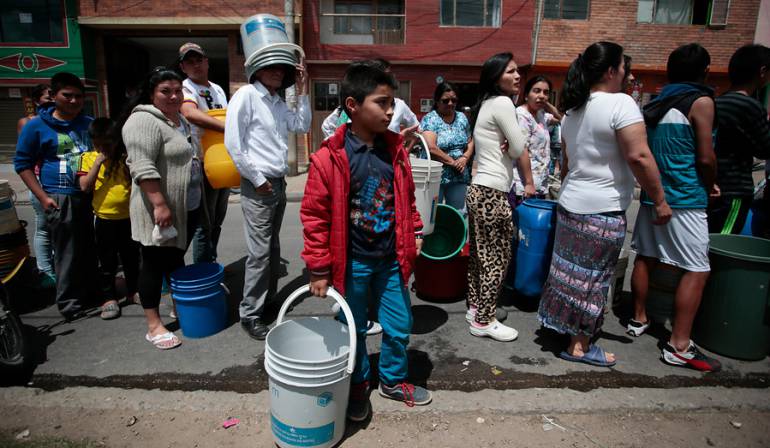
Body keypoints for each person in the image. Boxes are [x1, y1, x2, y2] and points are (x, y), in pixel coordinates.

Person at [301, 61, 431, 422]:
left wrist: (415, 232)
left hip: (391, 259)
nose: (390, 112)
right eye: (382, 103)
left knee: (399, 324)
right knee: (354, 329)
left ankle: (392, 380)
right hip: (352, 262)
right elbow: (314, 216)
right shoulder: (329, 159)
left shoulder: (396, 151)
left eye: (392, 103)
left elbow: (406, 200)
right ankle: (357, 385)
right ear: (353, 106)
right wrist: (319, 268)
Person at [537, 42, 671, 367]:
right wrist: (660, 199)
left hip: (571, 204)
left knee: (568, 274)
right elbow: (639, 156)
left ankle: (565, 328)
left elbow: (567, 165)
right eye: (624, 67)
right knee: (593, 279)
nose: (628, 74)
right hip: (601, 211)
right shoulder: (621, 103)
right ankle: (578, 346)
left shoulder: (573, 111)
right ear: (611, 71)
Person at [629, 44, 721, 372]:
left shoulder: (655, 103)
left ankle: (638, 318)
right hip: (685, 197)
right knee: (697, 268)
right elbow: (706, 157)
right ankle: (679, 345)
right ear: (704, 71)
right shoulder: (701, 102)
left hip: (654, 195)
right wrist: (711, 183)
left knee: (646, 256)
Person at [225, 58, 310, 340]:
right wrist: (258, 180)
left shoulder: (277, 101)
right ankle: (250, 313)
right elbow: (233, 144)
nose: (278, 72)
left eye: (282, 69)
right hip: (258, 183)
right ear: (257, 70)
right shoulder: (246, 95)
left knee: (272, 247)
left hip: (277, 182)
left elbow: (301, 125)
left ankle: (267, 301)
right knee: (260, 252)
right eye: (272, 67)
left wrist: (303, 90)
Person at [121, 67, 202, 350]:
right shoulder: (143, 120)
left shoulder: (178, 119)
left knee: (175, 261)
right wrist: (159, 204)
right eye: (165, 91)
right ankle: (154, 325)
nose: (174, 96)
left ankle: (178, 307)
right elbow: (142, 165)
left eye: (178, 90)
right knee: (154, 265)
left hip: (184, 208)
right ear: (151, 93)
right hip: (159, 209)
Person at [15, 72, 98, 319]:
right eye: (67, 95)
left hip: (88, 195)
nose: (74, 101)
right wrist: (42, 197)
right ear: (53, 95)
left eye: (79, 97)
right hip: (59, 196)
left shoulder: (88, 123)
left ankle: (91, 294)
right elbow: (22, 164)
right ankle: (69, 303)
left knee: (88, 248)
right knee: (66, 252)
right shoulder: (36, 126)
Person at [465, 52, 528, 341]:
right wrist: (512, 142)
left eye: (517, 71)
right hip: (492, 192)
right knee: (496, 258)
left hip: (478, 189)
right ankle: (484, 320)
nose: (517, 76)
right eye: (510, 71)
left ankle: (476, 308)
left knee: (479, 256)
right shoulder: (503, 103)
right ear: (495, 77)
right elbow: (517, 148)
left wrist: (509, 143)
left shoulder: (486, 105)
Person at [77, 118, 141, 320]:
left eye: (108, 144)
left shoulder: (124, 158)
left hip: (128, 217)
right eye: (99, 144)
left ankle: (133, 291)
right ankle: (109, 298)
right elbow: (85, 186)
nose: (104, 149)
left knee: (131, 257)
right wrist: (98, 162)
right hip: (104, 218)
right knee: (107, 261)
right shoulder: (87, 158)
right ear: (93, 142)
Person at [708, 44, 770, 234]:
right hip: (733, 189)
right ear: (762, 71)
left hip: (711, 186)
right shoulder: (750, 106)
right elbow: (765, 148)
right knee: (724, 240)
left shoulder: (716, 102)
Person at [178, 42, 231, 263]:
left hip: (222, 158)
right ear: (183, 67)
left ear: (207, 62)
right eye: (190, 62)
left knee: (218, 218)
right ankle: (203, 269)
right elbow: (190, 113)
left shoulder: (217, 89)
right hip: (200, 161)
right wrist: (227, 128)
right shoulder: (185, 88)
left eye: (199, 60)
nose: (196, 65)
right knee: (204, 224)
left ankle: (211, 260)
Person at [16, 84, 55, 285]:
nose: (53, 101)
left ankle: (57, 264)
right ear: (37, 101)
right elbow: (25, 158)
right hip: (40, 181)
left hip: (60, 182)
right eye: (48, 97)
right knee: (44, 227)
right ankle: (45, 270)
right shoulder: (29, 123)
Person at [321, 58, 419, 139]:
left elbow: (416, 129)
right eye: (381, 103)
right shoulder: (346, 111)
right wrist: (337, 145)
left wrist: (402, 145)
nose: (390, 112)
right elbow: (327, 126)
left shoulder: (399, 105)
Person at [419, 82, 474, 213]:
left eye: (454, 100)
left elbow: (470, 141)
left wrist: (464, 158)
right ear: (437, 101)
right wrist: (453, 162)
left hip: (459, 176)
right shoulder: (431, 119)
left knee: (459, 214)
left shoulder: (462, 118)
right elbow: (431, 147)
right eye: (445, 100)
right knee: (433, 214)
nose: (450, 103)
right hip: (436, 176)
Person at [512, 76, 562, 204]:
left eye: (546, 92)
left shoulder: (541, 115)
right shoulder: (522, 115)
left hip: (540, 183)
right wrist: (529, 183)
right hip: (524, 185)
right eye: (536, 91)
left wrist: (545, 103)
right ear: (526, 95)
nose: (542, 95)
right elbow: (521, 149)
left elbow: (561, 118)